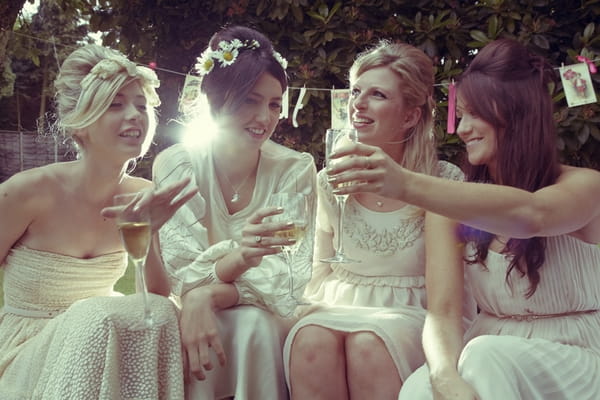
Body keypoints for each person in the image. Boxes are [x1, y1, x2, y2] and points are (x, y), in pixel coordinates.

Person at [327, 39, 600, 400]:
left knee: (486, 356)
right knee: (418, 390)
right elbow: (443, 312)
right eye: (462, 114)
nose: (461, 128)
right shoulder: (452, 202)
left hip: (576, 354)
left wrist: (403, 183)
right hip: (484, 347)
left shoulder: (585, 185)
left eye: (474, 114)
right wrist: (443, 377)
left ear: (514, 115)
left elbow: (533, 215)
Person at [0, 44, 196, 399]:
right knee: (95, 315)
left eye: (141, 104)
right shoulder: (26, 192)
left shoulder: (144, 192)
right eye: (115, 104)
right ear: (81, 125)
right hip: (25, 348)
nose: (135, 115)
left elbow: (155, 298)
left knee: (162, 312)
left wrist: (145, 233)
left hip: (94, 344)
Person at [284, 40, 475, 399]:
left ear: (409, 115)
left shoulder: (442, 181)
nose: (357, 104)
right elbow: (320, 269)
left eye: (377, 95)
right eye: (356, 91)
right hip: (339, 304)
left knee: (368, 345)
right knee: (310, 340)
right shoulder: (330, 181)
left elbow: (446, 300)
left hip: (415, 313)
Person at [152, 25, 317, 399]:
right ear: (215, 98)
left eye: (274, 104)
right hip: (199, 314)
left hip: (270, 313)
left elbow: (286, 278)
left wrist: (209, 295)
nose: (265, 117)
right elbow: (184, 273)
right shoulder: (177, 165)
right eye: (250, 100)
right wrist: (233, 263)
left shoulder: (295, 168)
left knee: (252, 323)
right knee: (224, 323)